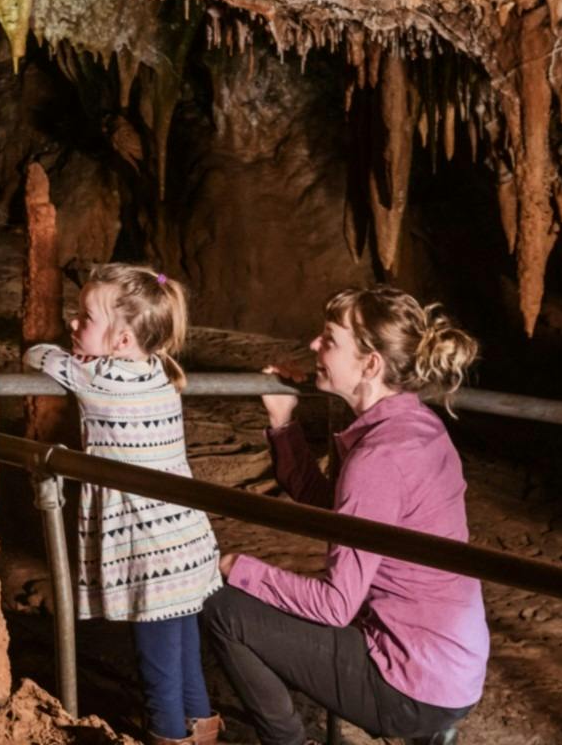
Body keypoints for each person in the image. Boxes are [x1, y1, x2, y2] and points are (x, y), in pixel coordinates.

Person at [204, 286, 487, 745]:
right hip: (453, 666)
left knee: (224, 609)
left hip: (411, 683)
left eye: (330, 339)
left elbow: (334, 606)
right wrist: (283, 424)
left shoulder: (380, 457)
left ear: (370, 364)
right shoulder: (417, 426)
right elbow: (335, 506)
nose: (314, 345)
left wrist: (239, 567)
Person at [26, 264, 223, 745]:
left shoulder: (97, 376)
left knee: (155, 660)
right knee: (182, 644)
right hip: (185, 537)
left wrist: (52, 346)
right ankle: (204, 730)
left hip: (146, 547)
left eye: (85, 317)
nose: (73, 325)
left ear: (120, 341)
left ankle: (167, 735)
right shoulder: (159, 370)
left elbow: (37, 356)